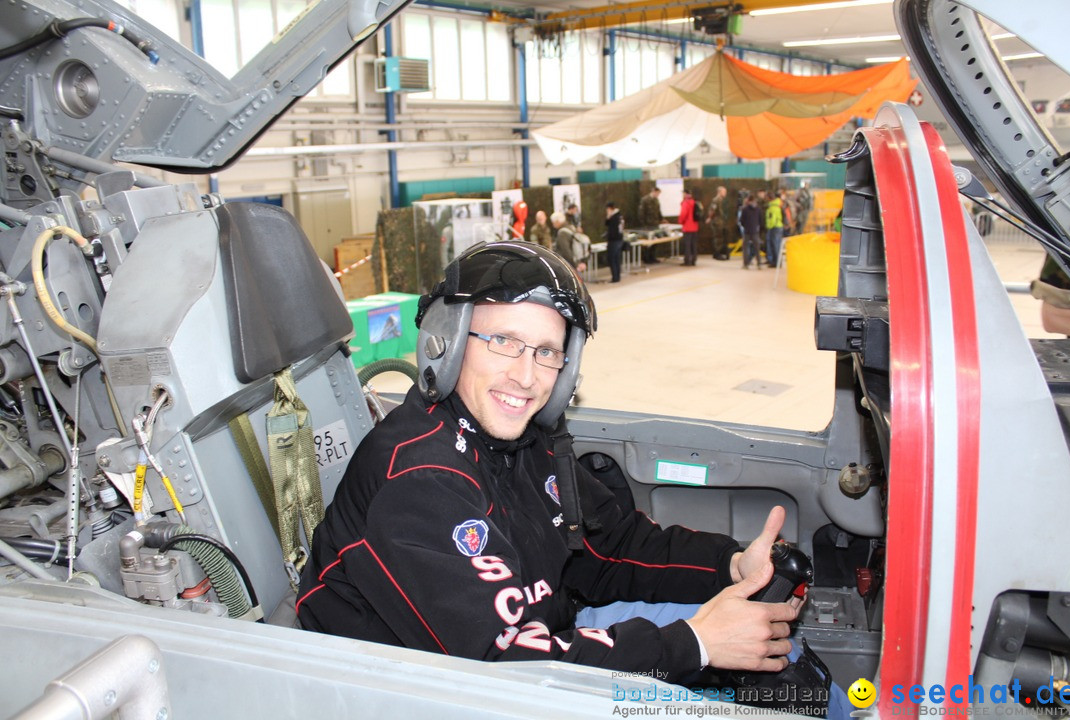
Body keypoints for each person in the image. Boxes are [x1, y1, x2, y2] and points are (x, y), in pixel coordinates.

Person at [297, 241, 801, 686]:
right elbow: (499, 661)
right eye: (502, 342)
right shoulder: (418, 479)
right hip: (427, 689)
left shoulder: (523, 443)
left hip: (542, 645)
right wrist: (697, 644)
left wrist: (729, 565)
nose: (525, 376)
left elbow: (610, 549)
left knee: (785, 659)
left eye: (546, 352)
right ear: (445, 342)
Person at [551, 211, 588, 277]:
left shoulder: (562, 233)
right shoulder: (571, 227)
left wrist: (574, 264)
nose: (553, 225)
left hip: (569, 264)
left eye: (553, 222)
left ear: (557, 221)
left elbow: (566, 251)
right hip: (577, 259)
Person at [638, 186, 663, 264]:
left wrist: (661, 219)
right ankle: (646, 258)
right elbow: (641, 213)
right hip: (648, 225)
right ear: (654, 192)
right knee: (647, 242)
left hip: (655, 224)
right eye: (657, 193)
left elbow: (658, 211)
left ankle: (653, 257)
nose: (658, 195)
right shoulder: (645, 200)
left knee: (655, 241)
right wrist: (643, 224)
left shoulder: (656, 200)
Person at [739, 194, 763, 270]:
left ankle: (746, 264)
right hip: (755, 231)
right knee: (757, 248)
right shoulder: (758, 209)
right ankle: (759, 264)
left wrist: (745, 226)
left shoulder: (744, 209)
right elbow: (761, 220)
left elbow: (741, 220)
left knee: (745, 248)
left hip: (747, 231)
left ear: (748, 201)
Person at [604, 202, 625, 283]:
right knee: (617, 259)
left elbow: (609, 226)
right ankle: (617, 276)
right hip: (619, 240)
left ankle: (615, 277)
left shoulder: (614, 217)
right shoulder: (620, 216)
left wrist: (609, 217)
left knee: (612, 259)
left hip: (614, 240)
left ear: (609, 209)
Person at [707, 186, 730, 260]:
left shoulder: (721, 200)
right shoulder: (716, 200)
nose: (725, 193)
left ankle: (719, 253)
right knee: (718, 238)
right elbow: (712, 210)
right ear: (719, 192)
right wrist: (709, 218)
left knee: (722, 237)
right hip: (717, 221)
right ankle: (717, 254)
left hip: (721, 221)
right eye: (724, 192)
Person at [679, 188, 700, 266]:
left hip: (687, 226)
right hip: (695, 226)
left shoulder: (686, 203)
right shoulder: (694, 202)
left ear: (685, 194)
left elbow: (683, 214)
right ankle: (694, 260)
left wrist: (681, 222)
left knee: (687, 244)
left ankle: (687, 260)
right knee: (693, 244)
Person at [764, 191, 784, 268]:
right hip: (778, 227)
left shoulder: (773, 207)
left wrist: (769, 226)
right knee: (777, 245)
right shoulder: (777, 205)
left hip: (774, 228)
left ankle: (777, 262)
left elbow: (772, 219)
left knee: (775, 245)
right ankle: (777, 262)